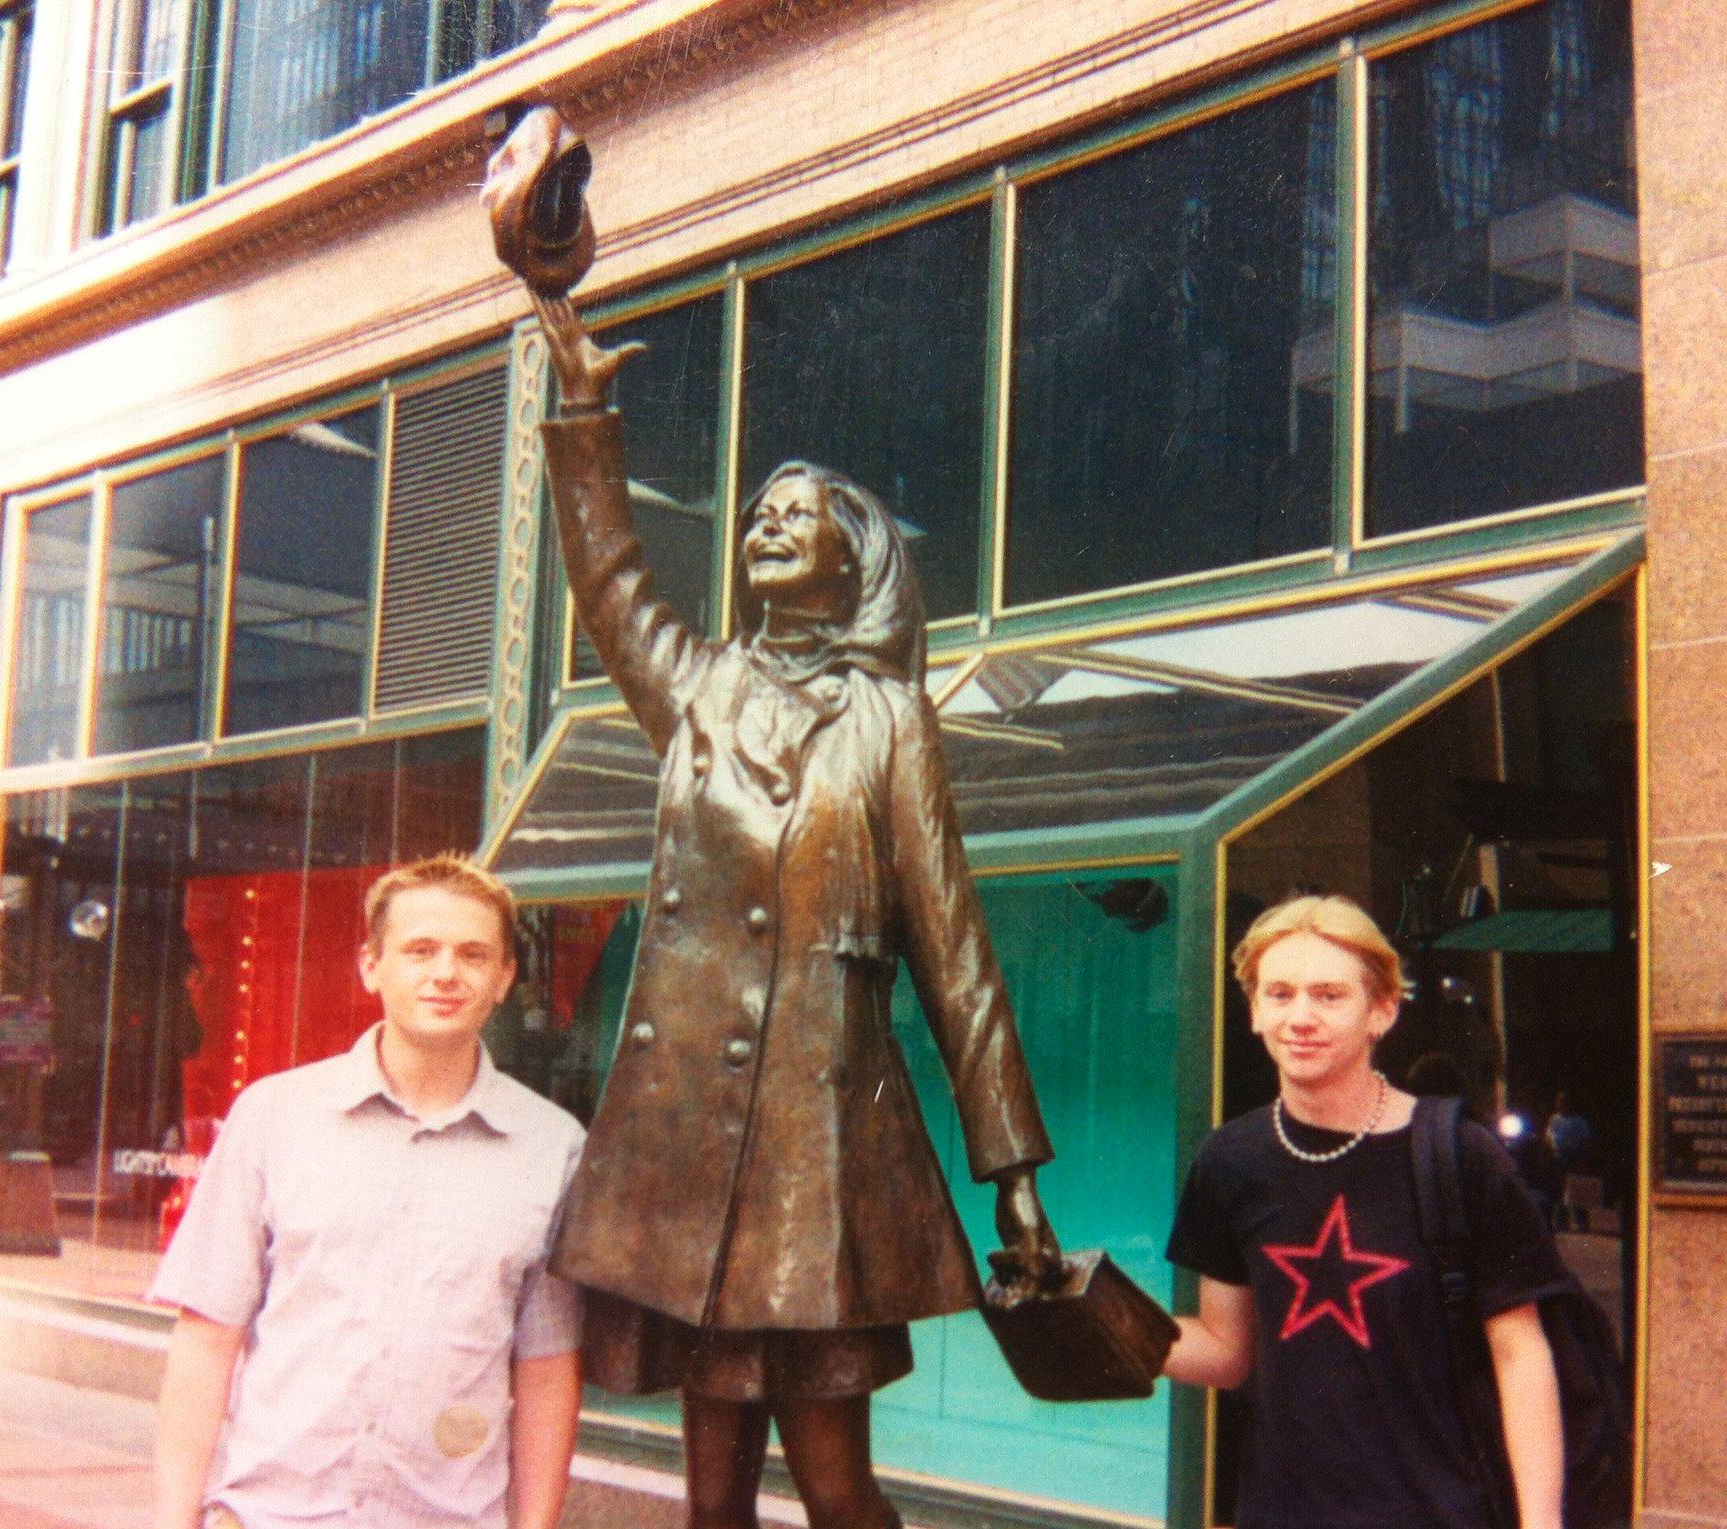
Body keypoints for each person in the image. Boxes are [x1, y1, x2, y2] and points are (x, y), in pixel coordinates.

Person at [489, 200, 1063, 1529]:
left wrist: (1013, 1172)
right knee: (709, 1503)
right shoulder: (693, 688)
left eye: (797, 514)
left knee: (839, 1487)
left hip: (821, 1152)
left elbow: (955, 952)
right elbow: (608, 577)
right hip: (694, 1151)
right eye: (756, 513)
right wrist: (581, 401)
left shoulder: (890, 720)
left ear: (855, 555)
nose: (765, 525)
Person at [148, 854, 585, 1529]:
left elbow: (547, 1369)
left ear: (504, 978)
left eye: (473, 954)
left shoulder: (552, 1147)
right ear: (371, 965)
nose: (446, 973)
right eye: (420, 950)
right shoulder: (274, 1116)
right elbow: (207, 1340)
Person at [1162, 894, 1567, 1529]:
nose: (1300, 1017)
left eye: (1329, 996)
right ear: (1255, 1012)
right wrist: (1102, 1326)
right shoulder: (1229, 1160)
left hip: (1437, 1515)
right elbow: (1227, 1353)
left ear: (1382, 1011)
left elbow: (1520, 1352)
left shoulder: (1462, 1156)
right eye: (1279, 994)